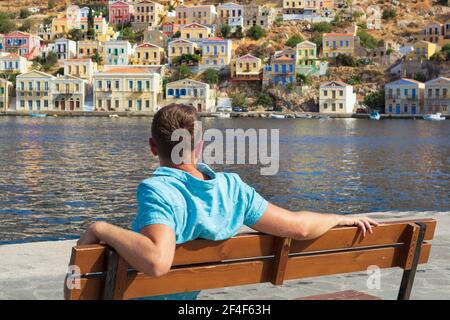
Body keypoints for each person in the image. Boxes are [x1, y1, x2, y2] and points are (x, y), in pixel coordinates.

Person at [77, 104, 378, 299]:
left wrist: (101, 228)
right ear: (200, 146)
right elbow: (299, 228)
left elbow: (157, 262)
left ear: (153, 147)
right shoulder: (233, 189)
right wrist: (338, 219)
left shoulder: (157, 190)